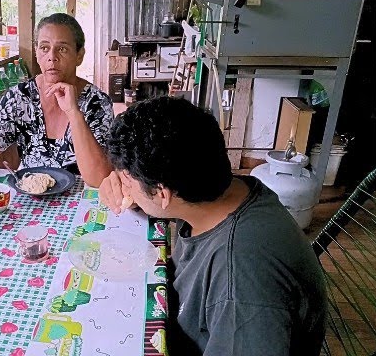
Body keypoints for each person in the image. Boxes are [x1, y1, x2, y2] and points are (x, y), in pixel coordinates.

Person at [99, 97, 327, 356]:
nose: (122, 185)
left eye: (127, 181)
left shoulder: (239, 280)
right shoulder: (224, 189)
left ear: (163, 194)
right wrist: (131, 190)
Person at [0, 13, 114, 187]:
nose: (52, 56)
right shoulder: (18, 99)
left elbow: (99, 179)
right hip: (32, 201)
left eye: (62, 49)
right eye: (44, 48)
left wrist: (74, 113)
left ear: (79, 55)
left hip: (80, 203)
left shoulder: (97, 103)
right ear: (36, 52)